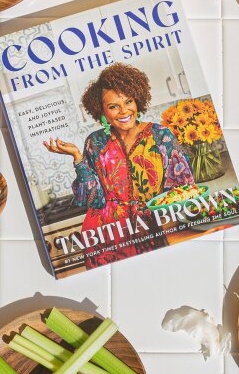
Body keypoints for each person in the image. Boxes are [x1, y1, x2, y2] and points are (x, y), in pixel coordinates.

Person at [44, 63, 195, 269]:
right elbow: (92, 198)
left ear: (137, 101)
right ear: (102, 111)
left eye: (128, 101)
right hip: (107, 236)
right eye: (114, 106)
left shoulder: (161, 136)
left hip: (153, 229)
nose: (124, 111)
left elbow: (184, 190)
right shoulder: (95, 143)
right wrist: (78, 158)